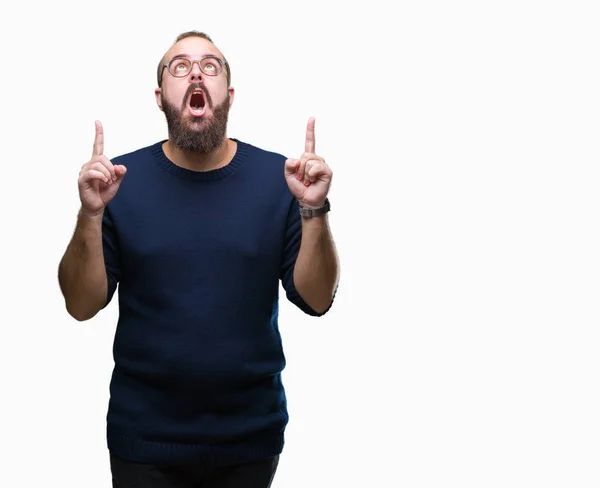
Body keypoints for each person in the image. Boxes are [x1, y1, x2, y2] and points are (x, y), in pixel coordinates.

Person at [57, 30, 339, 488]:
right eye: (179, 65)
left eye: (210, 66)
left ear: (228, 94)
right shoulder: (118, 183)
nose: (195, 72)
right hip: (143, 441)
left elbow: (318, 298)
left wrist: (313, 208)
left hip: (249, 439)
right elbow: (81, 304)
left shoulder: (281, 180)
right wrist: (91, 214)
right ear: (159, 96)